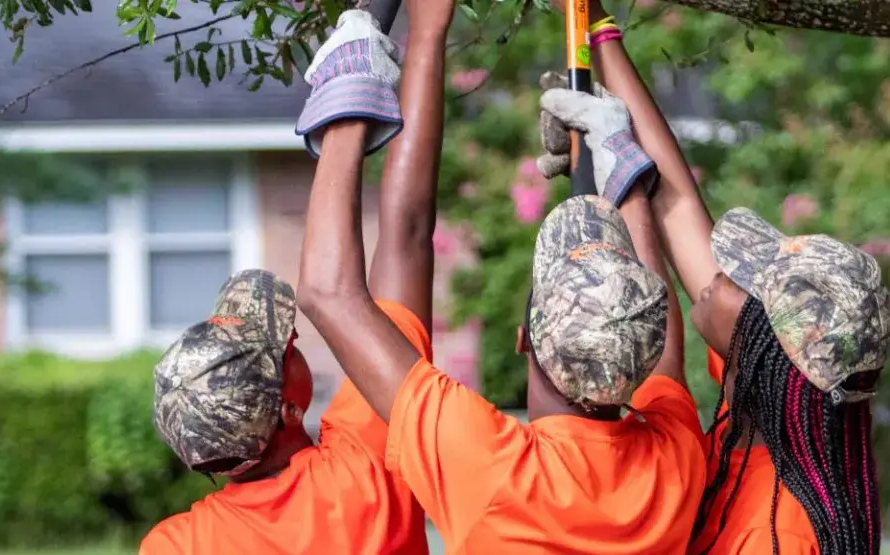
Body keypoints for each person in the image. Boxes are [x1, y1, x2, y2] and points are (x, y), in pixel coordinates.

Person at [293, 6, 706, 555]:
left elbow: (336, 289)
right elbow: (662, 356)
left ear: (523, 338)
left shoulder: (491, 468)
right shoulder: (672, 463)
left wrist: (623, 168)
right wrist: (620, 168)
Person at [533, 3, 890, 553]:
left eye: (744, 280)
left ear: (767, 349)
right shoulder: (771, 409)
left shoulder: (776, 535)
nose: (722, 277)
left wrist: (621, 187)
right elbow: (676, 206)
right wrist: (597, 33)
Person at [137, 1, 452, 551]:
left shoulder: (176, 545)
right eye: (284, 351)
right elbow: (404, 232)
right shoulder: (365, 466)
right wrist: (426, 32)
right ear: (288, 407)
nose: (294, 337)